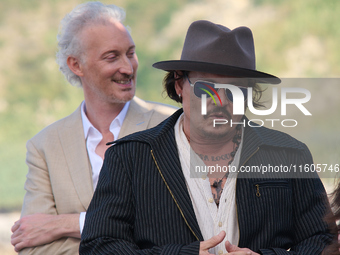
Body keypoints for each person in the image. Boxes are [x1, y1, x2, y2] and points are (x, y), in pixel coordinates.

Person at [79, 20, 333, 254]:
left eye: (235, 90)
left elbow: (324, 242)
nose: (220, 101)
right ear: (179, 85)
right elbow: (99, 246)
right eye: (206, 88)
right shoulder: (129, 157)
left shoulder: (289, 154)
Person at [10, 2, 177, 254]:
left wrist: (67, 224)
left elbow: (174, 227)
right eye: (112, 56)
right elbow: (33, 245)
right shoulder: (44, 146)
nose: (128, 67)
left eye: (131, 53)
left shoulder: (173, 125)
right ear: (76, 65)